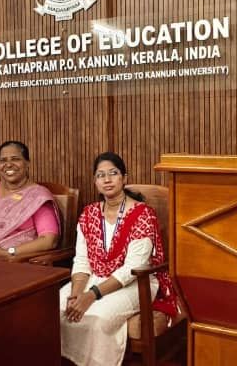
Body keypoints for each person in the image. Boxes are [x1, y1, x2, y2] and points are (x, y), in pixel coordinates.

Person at [60, 152, 178, 366]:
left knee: (97, 319)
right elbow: (82, 260)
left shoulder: (142, 215)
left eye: (113, 173)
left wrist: (91, 295)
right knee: (54, 309)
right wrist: (76, 293)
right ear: (95, 182)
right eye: (100, 175)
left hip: (136, 282)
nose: (107, 179)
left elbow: (133, 267)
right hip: (94, 277)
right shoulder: (88, 214)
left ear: (124, 178)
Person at [0, 140, 60, 259]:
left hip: (17, 261)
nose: (8, 165)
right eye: (3, 160)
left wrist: (9, 252)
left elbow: (49, 240)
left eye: (15, 159)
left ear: (27, 163)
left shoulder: (38, 196)